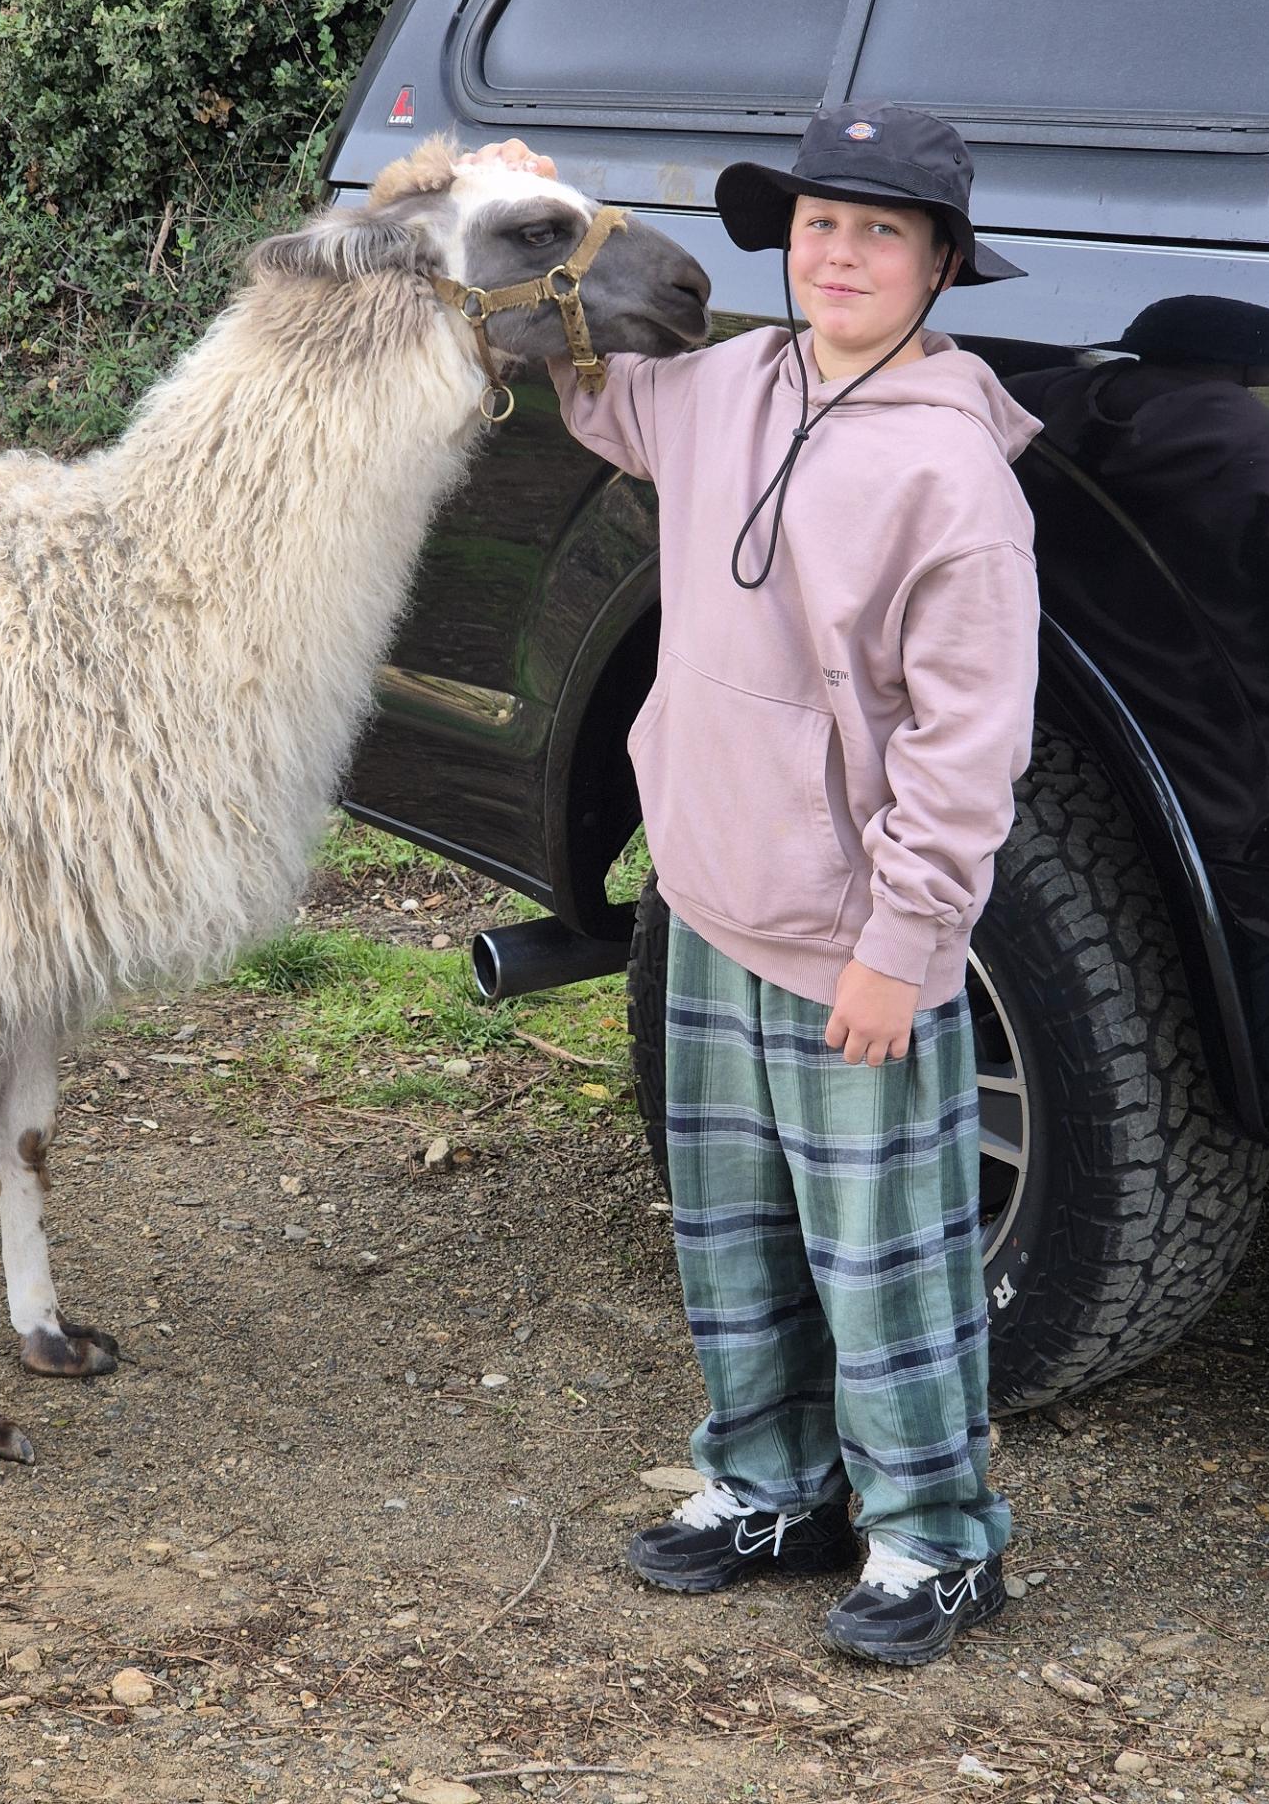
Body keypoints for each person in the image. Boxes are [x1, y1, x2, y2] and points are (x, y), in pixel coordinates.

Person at [466, 102, 1041, 1665]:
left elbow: (966, 748)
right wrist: (530, 204)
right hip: (708, 904)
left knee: (885, 1258)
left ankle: (933, 1540)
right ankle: (772, 1487)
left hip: (853, 940)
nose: (839, 253)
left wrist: (902, 943)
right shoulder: (726, 387)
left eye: (880, 231)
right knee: (731, 1233)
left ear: (938, 266)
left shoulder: (954, 481)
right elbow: (587, 375)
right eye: (818, 222)